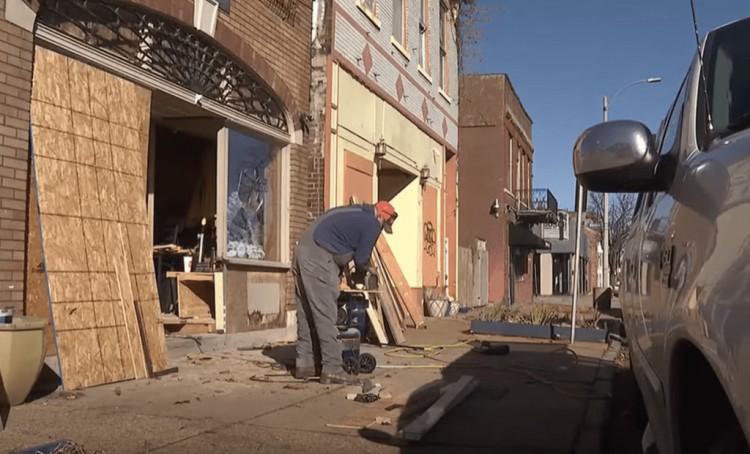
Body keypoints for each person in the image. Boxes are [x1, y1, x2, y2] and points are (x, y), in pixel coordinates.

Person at [293, 200, 398, 384]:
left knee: (306, 312)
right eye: (384, 225)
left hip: (302, 249)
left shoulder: (354, 211)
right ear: (382, 217)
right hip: (318, 257)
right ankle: (332, 368)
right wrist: (364, 272)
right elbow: (361, 258)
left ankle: (305, 364)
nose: (381, 229)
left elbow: (341, 244)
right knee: (325, 313)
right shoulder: (372, 222)